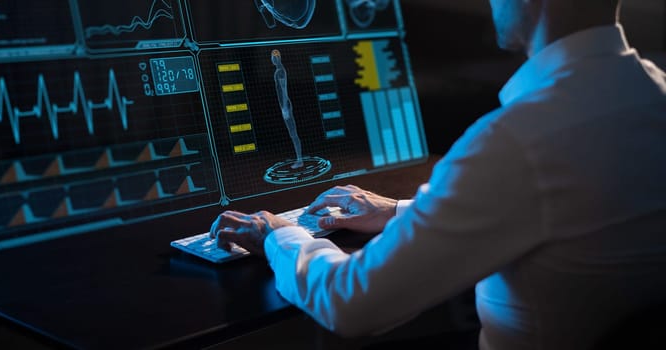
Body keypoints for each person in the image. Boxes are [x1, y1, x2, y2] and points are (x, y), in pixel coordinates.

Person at [210, 0, 666, 348]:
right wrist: (402, 212)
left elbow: (352, 303)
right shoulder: (654, 92)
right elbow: (560, 207)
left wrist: (276, 235)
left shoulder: (514, 143)